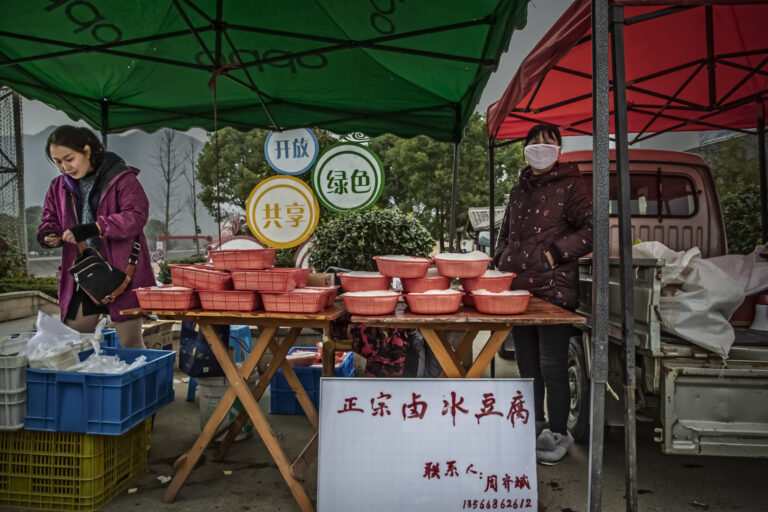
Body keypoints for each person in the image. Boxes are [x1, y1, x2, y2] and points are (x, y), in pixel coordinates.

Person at [494, 124, 593, 465]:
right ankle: (532, 424)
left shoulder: (572, 185)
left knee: (553, 366)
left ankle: (558, 432)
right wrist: (500, 257)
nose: (539, 147)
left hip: (554, 291)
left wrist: (554, 253)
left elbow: (592, 229)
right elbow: (505, 232)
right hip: (519, 291)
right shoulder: (518, 190)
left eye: (548, 141)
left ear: (559, 149)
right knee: (527, 365)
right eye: (533, 141)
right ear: (525, 148)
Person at [38, 125, 155, 348]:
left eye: (69, 159)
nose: (64, 167)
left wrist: (96, 227)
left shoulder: (121, 178)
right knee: (71, 343)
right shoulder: (57, 187)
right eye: (57, 161)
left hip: (122, 274)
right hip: (83, 274)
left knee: (130, 343)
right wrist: (49, 234)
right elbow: (49, 219)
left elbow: (136, 215)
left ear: (87, 150)